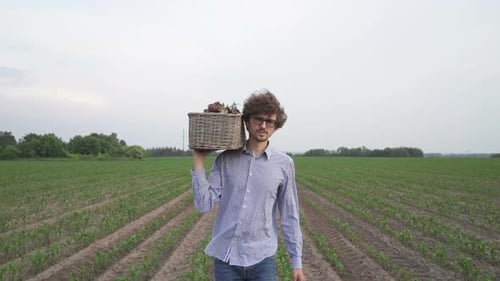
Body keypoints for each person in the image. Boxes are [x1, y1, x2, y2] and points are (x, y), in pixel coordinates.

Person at [191, 89, 305, 281]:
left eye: (270, 121)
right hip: (226, 258)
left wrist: (297, 262)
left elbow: (289, 214)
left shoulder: (284, 164)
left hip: (262, 259)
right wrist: (199, 160)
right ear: (246, 121)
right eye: (258, 119)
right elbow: (203, 205)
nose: (263, 125)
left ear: (276, 126)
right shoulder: (225, 159)